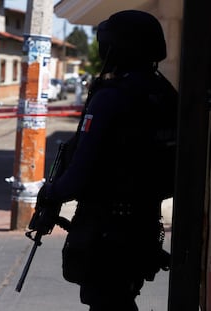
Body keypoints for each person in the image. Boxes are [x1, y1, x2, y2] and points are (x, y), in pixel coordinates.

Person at [29, 10, 178, 311]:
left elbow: (79, 172)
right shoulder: (163, 93)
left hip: (107, 231)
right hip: (144, 223)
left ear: (116, 47)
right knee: (122, 300)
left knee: (107, 301)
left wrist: (50, 194)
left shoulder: (112, 97)